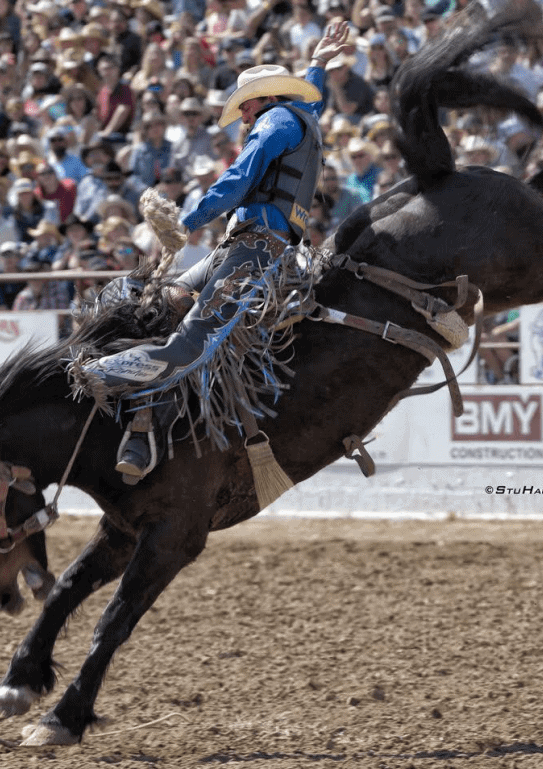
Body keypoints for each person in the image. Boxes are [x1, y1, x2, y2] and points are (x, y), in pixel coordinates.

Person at [82, 21, 353, 482]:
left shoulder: (274, 121)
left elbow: (239, 179)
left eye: (244, 106)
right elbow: (313, 97)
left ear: (262, 98)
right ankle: (144, 427)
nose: (243, 117)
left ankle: (100, 375)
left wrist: (184, 222)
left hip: (256, 251)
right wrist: (318, 63)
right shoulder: (300, 116)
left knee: (194, 342)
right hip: (248, 246)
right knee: (165, 310)